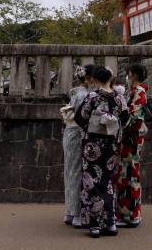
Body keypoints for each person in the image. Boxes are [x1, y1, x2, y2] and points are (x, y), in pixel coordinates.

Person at [75, 65, 129, 238]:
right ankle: (111, 223)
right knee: (106, 179)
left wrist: (93, 125)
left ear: (97, 80)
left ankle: (95, 225)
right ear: (109, 79)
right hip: (112, 143)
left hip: (93, 143)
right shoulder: (120, 98)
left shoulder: (93, 96)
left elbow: (80, 117)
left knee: (91, 179)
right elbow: (125, 119)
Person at [60, 64, 94, 228]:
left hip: (69, 132)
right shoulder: (85, 95)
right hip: (78, 133)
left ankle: (69, 212)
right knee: (79, 171)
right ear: (87, 79)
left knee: (70, 171)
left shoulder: (74, 93)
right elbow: (84, 118)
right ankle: (77, 214)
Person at [116, 63, 149, 228]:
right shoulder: (135, 92)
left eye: (129, 73)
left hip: (132, 139)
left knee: (131, 174)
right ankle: (128, 213)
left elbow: (132, 116)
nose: (128, 76)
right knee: (127, 174)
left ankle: (131, 215)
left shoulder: (139, 92)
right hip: (131, 138)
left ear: (134, 75)